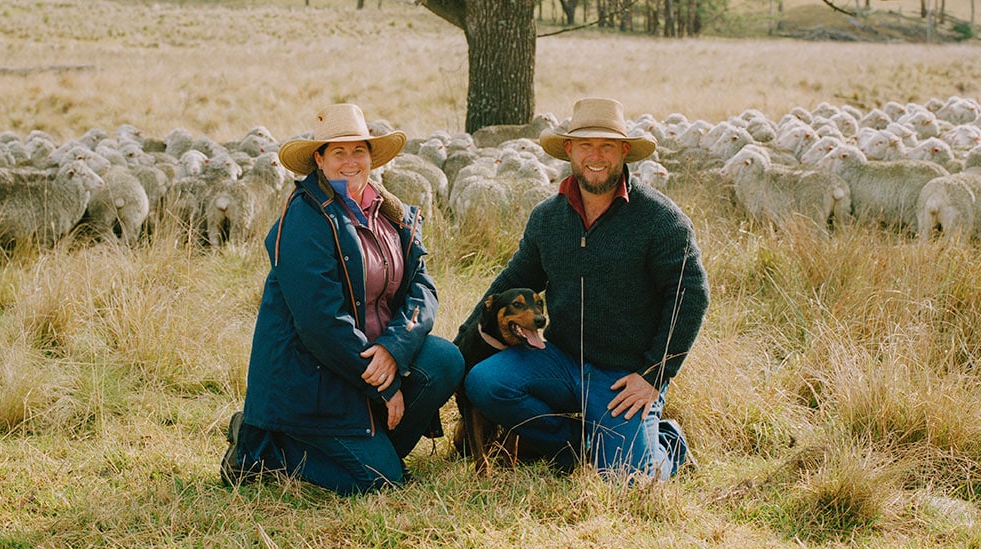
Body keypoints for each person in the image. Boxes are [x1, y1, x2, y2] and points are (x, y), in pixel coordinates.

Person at [461, 97, 709, 481]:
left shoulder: (660, 219)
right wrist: (464, 338)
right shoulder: (547, 218)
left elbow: (690, 296)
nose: (596, 156)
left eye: (607, 145)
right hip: (558, 360)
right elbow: (514, 279)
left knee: (630, 480)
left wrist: (653, 375)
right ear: (569, 150)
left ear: (624, 151)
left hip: (624, 375)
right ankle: (576, 444)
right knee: (485, 382)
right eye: (585, 145)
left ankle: (668, 443)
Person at [221, 103, 464, 495]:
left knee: (444, 359)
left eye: (359, 151)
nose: (350, 161)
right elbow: (321, 322)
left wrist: (394, 348)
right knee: (380, 481)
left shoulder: (391, 214)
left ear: (371, 156)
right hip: (316, 375)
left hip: (370, 360)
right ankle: (264, 450)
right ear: (320, 159)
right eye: (338, 152)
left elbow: (422, 288)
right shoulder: (305, 218)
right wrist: (383, 385)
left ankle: (373, 449)